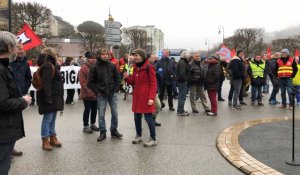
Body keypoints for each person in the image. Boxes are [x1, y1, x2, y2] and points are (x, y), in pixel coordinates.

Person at [0, 31, 32, 174]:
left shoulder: (5, 66)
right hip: (3, 129)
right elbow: (3, 103)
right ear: (8, 47)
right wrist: (22, 101)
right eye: (15, 45)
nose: (18, 48)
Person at [125, 49, 158, 147]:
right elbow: (133, 82)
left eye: (137, 55)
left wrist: (151, 98)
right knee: (137, 117)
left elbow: (153, 83)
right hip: (137, 97)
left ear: (142, 56)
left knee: (148, 118)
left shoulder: (149, 67)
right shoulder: (135, 67)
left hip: (146, 97)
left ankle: (153, 138)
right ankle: (138, 136)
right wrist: (127, 78)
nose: (135, 57)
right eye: (134, 55)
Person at [88, 48, 122, 142]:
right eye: (103, 54)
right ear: (99, 55)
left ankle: (114, 130)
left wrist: (116, 88)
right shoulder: (94, 67)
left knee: (115, 113)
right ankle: (102, 132)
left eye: (106, 54)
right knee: (101, 115)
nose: (105, 56)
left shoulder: (112, 65)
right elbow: (90, 82)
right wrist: (97, 91)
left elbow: (118, 78)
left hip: (112, 93)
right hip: (101, 94)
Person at [37, 47, 64, 151]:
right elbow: (46, 83)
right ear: (52, 55)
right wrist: (48, 98)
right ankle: (45, 140)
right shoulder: (48, 65)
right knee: (47, 119)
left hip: (55, 96)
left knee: (52, 119)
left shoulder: (50, 64)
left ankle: (52, 137)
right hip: (50, 96)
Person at [9, 43, 32, 158]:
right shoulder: (8, 63)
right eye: (19, 48)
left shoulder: (25, 64)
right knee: (7, 123)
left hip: (19, 97)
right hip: (8, 97)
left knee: (15, 124)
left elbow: (28, 78)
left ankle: (10, 148)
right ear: (13, 50)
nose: (21, 50)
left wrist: (24, 90)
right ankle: (6, 149)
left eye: (22, 48)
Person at [78, 52, 99, 134]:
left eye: (95, 58)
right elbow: (83, 82)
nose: (94, 59)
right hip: (87, 94)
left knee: (94, 109)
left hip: (96, 93)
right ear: (88, 59)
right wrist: (90, 91)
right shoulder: (83, 68)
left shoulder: (97, 67)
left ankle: (92, 124)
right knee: (87, 109)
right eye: (91, 58)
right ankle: (85, 126)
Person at [176, 51, 190, 116]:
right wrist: (185, 80)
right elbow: (182, 73)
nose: (189, 57)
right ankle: (180, 111)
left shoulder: (182, 61)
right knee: (182, 97)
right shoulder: (182, 62)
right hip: (182, 82)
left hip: (181, 81)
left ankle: (181, 110)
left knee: (182, 96)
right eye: (188, 56)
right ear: (185, 56)